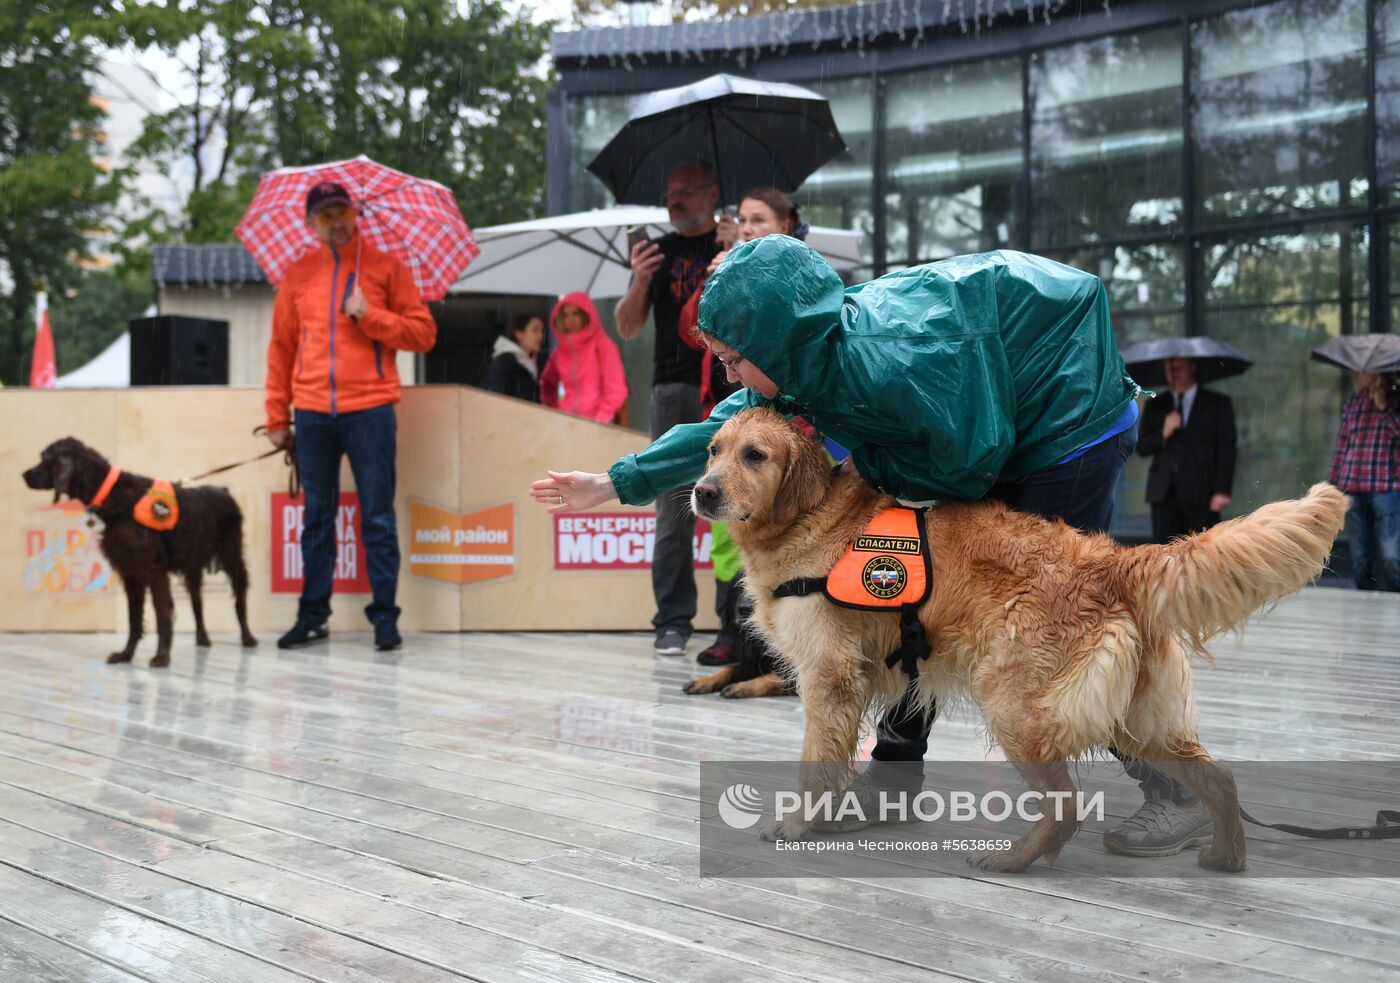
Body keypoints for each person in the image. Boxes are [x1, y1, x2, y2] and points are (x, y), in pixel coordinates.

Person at [532, 236, 1213, 860]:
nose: (727, 367)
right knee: (907, 594)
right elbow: (720, 422)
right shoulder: (799, 357)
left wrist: (866, 467)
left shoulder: (888, 363)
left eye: (734, 356)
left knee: (1051, 621)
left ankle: (1177, 791)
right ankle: (892, 779)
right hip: (991, 417)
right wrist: (615, 481)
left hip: (1067, 419)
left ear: (774, 340)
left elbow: (968, 462)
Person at [264, 180, 437, 652]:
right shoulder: (298, 274)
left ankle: (385, 617)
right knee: (317, 518)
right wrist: (278, 416)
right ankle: (312, 616)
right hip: (313, 413)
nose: (336, 222)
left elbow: (424, 333)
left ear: (356, 212)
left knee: (377, 517)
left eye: (342, 211)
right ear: (310, 223)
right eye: (325, 216)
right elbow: (281, 350)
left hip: (372, 411)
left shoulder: (386, 268)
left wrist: (371, 317)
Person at [676, 188, 805, 667]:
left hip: (782, 425)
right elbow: (691, 331)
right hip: (727, 416)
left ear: (786, 225)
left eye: (759, 219)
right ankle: (736, 632)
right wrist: (715, 285)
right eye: (743, 219)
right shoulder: (724, 269)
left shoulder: (799, 274)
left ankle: (787, 650)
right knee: (727, 543)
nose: (747, 227)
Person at [614, 161, 737, 656]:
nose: (675, 202)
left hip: (730, 379)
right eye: (669, 194)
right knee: (671, 503)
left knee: (736, 497)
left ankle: (738, 620)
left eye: (685, 192)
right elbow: (626, 326)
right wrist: (640, 280)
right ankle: (672, 619)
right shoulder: (657, 253)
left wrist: (735, 251)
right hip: (672, 384)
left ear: (712, 193)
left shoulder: (732, 241)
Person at [1138, 356, 1237, 543]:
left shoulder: (1218, 404)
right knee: (1164, 555)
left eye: (1179, 366)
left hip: (1202, 495)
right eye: (1169, 367)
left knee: (1202, 555)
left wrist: (1222, 490)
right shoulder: (1155, 405)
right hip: (1163, 494)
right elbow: (1142, 447)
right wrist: (1164, 432)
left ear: (1193, 367)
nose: (1173, 371)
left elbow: (1226, 450)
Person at [1329, 370, 1400, 591]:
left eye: (1361, 370)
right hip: (1353, 485)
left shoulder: (1395, 399)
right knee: (1360, 559)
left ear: (1377, 372)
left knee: (1392, 557)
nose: (1355, 374)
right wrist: (1332, 484)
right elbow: (1343, 444)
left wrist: (1384, 407)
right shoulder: (1354, 400)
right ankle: (1364, 607)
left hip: (1387, 486)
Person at [539, 292, 628, 424]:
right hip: (567, 422)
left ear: (585, 314)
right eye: (565, 315)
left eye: (576, 313)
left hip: (599, 423)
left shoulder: (603, 345)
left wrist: (600, 420)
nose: (571, 320)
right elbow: (547, 383)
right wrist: (556, 410)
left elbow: (616, 389)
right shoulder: (559, 351)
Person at [486, 312, 544, 403]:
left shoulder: (532, 363)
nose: (540, 336)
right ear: (519, 334)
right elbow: (498, 400)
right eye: (535, 330)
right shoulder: (504, 362)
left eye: (542, 331)